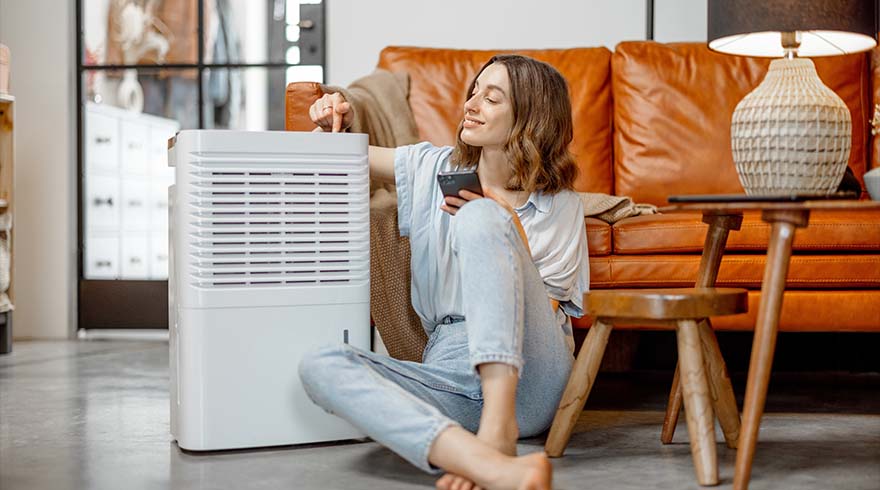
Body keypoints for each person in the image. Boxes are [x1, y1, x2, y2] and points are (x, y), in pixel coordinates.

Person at [298, 54, 590, 490]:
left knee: (480, 218)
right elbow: (340, 158)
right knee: (320, 365)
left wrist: (501, 219)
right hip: (449, 370)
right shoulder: (430, 166)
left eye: (492, 99)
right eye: (474, 92)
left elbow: (542, 310)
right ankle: (485, 463)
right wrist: (335, 113)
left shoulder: (561, 204)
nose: (471, 104)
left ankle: (497, 428)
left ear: (531, 118)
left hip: (530, 376)